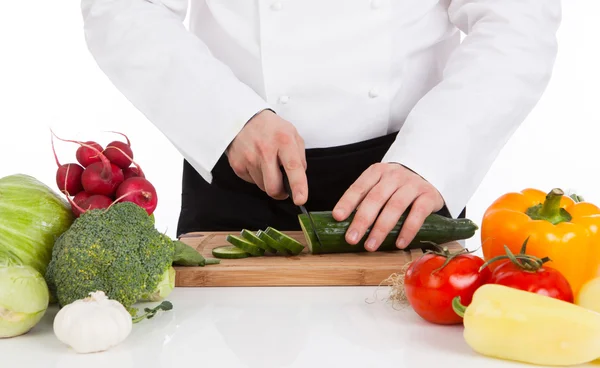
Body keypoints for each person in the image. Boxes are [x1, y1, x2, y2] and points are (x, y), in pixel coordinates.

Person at [81, 0, 561, 251]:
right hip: (235, 169)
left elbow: (516, 19)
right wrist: (227, 116)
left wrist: (436, 156)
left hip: (402, 183)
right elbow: (123, 5)